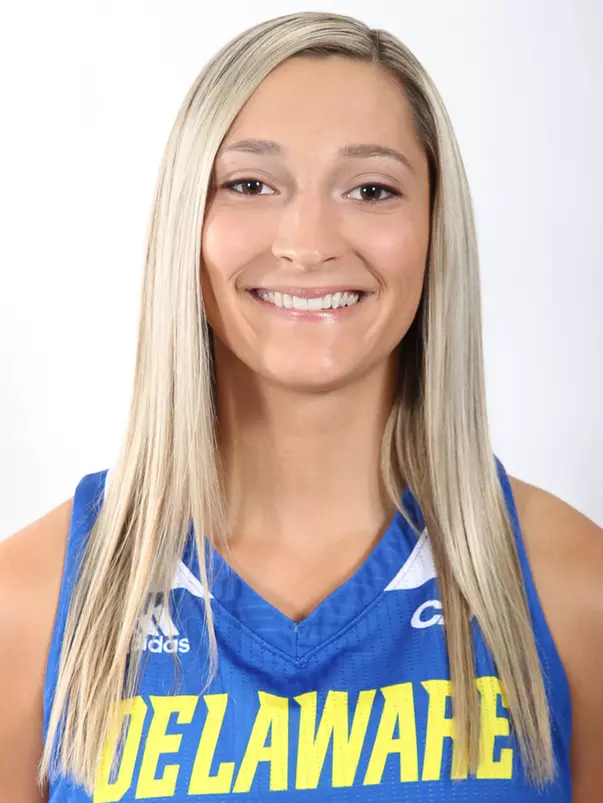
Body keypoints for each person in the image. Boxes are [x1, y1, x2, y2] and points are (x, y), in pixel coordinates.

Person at [1, 10, 601, 803]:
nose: (309, 241)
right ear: (189, 223)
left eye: (371, 189)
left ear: (433, 229)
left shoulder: (572, 587)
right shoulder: (33, 602)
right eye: (250, 184)